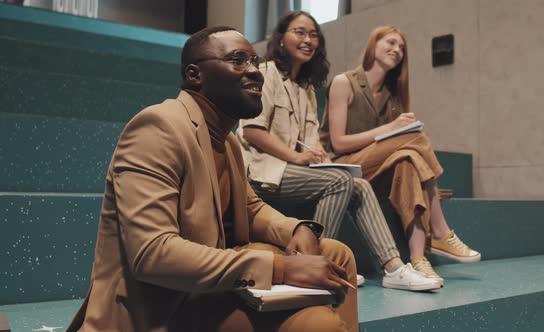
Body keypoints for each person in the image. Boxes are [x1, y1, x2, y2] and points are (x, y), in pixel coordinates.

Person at [67, 26, 359, 332]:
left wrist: (296, 229)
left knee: (337, 255)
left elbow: (251, 208)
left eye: (255, 62)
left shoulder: (227, 139)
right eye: (238, 60)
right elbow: (152, 254)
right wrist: (280, 268)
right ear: (195, 75)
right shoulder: (157, 128)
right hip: (163, 306)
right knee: (318, 324)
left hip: (205, 288)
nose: (256, 72)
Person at [237, 11, 440, 292]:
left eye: (313, 35)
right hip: (263, 171)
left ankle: (393, 267)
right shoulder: (266, 72)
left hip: (293, 172)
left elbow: (310, 142)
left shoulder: (306, 88)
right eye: (299, 32)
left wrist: (319, 156)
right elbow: (252, 131)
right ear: (281, 39)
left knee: (359, 186)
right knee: (340, 180)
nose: (308, 40)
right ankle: (314, 262)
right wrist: (297, 157)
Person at [319, 26, 481, 285]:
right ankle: (440, 231)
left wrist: (396, 128)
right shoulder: (344, 82)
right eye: (391, 43)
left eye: (402, 48)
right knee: (415, 137)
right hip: (343, 167)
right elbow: (338, 143)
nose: (397, 50)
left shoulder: (392, 96)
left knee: (408, 162)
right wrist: (391, 128)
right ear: (374, 45)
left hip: (376, 169)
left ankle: (418, 259)